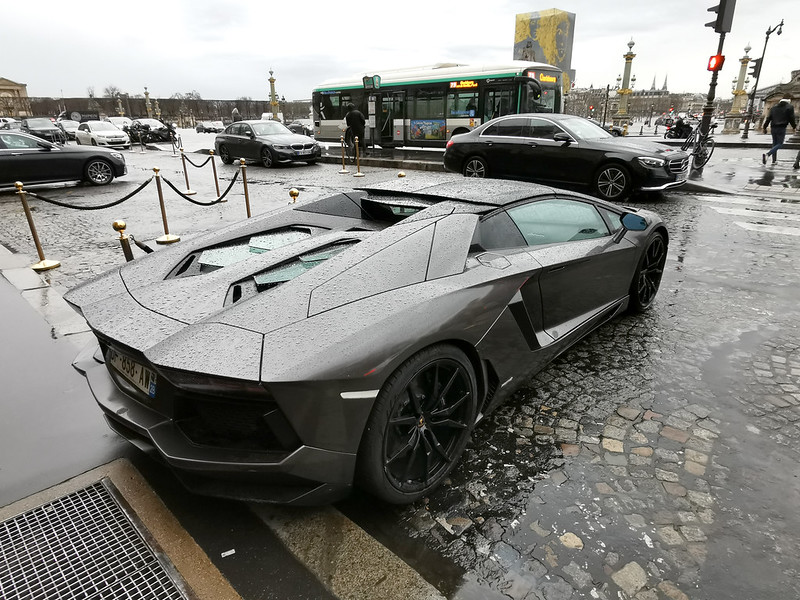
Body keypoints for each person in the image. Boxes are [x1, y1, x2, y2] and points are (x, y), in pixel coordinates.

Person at [762, 97, 796, 165]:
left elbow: (769, 118)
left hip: (773, 127)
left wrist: (764, 127)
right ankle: (768, 154)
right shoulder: (789, 107)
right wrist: (794, 126)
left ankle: (774, 161)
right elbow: (791, 118)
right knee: (780, 144)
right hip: (782, 127)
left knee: (774, 144)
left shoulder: (774, 107)